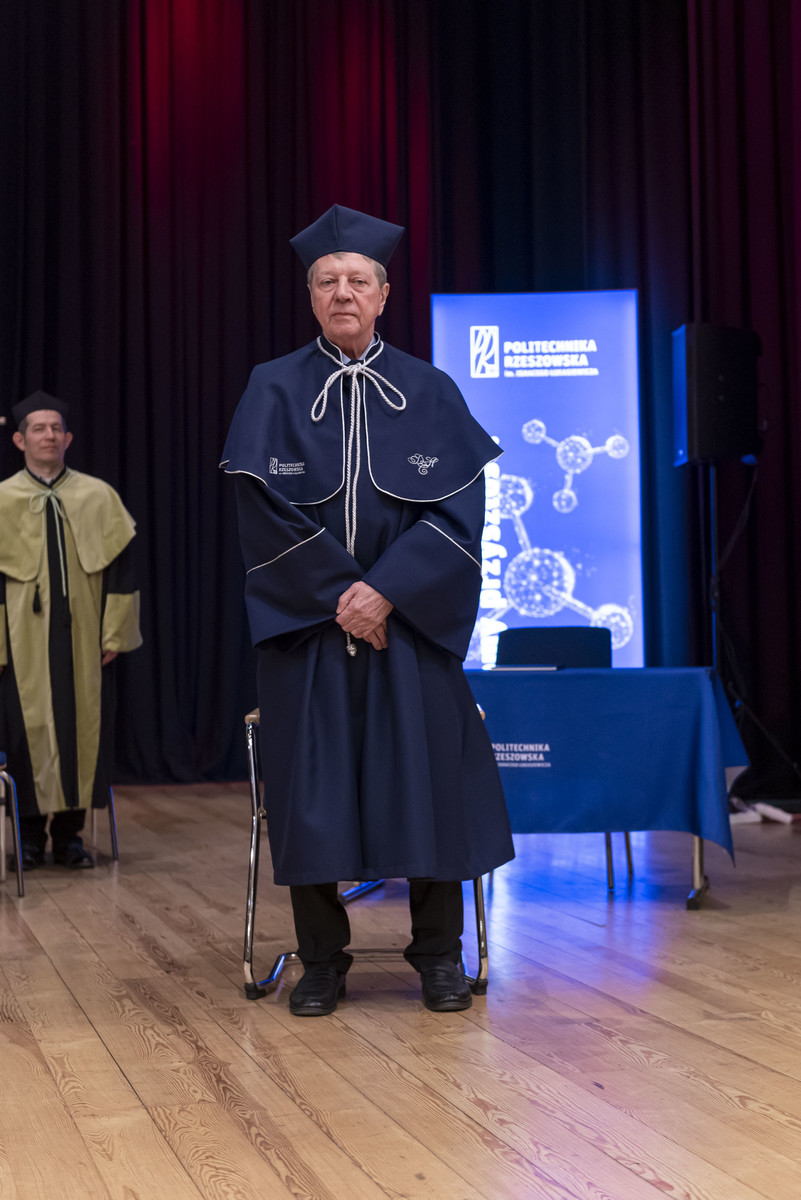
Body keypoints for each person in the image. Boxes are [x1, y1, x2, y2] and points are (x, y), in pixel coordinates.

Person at [222, 205, 513, 1016]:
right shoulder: (272, 385)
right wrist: (340, 597)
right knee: (309, 794)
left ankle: (438, 955)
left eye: (357, 281)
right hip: (308, 631)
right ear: (310, 296)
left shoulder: (429, 388)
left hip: (409, 628)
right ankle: (321, 959)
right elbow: (260, 512)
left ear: (383, 295)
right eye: (327, 281)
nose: (342, 293)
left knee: (428, 786)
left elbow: (458, 517)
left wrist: (386, 592)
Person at [0, 392, 142, 869]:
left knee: (84, 730)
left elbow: (122, 571)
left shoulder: (98, 496)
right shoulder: (2, 500)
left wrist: (115, 632)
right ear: (20, 440)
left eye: (56, 428)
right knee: (27, 733)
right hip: (20, 641)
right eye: (38, 428)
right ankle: (28, 840)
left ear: (69, 438)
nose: (49, 435)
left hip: (86, 639)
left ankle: (70, 838)